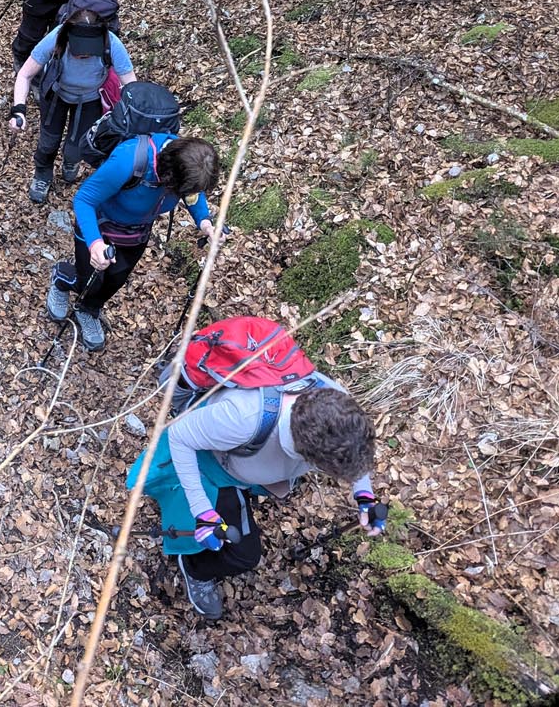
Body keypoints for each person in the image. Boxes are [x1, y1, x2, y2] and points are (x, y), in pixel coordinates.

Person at [133, 362, 382, 620]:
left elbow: (354, 448)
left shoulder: (337, 403)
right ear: (304, 453)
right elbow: (179, 436)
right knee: (244, 556)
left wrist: (364, 494)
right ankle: (195, 568)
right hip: (213, 469)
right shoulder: (243, 418)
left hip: (247, 462)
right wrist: (202, 511)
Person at [46, 135, 219, 352]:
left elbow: (193, 195)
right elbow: (84, 199)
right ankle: (62, 279)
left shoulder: (185, 165)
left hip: (136, 234)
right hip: (99, 227)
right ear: (168, 176)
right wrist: (95, 244)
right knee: (89, 280)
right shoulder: (129, 159)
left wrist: (204, 221)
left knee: (114, 280)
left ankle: (88, 309)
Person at [9, 0, 135, 203]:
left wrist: (133, 116)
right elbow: (25, 74)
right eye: (78, 51)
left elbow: (131, 84)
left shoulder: (111, 43)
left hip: (90, 99)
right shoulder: (57, 36)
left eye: (88, 52)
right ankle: (42, 174)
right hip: (56, 95)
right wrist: (19, 109)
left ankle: (71, 161)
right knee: (48, 142)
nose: (83, 55)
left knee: (77, 146)